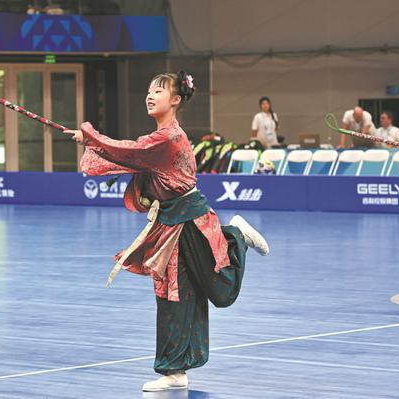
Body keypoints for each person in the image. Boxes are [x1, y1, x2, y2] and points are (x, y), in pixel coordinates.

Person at [65, 71, 270, 392]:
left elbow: (129, 152)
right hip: (171, 224)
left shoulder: (168, 138)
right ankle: (174, 370)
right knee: (173, 293)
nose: (150, 95)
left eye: (158, 91)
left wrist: (91, 138)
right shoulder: (158, 139)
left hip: (192, 220)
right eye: (148, 90)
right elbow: (132, 158)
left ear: (175, 100)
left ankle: (236, 236)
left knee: (222, 289)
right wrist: (89, 140)